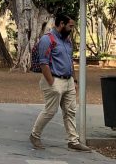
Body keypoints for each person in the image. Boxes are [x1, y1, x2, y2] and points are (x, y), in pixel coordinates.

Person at [29, 13, 91, 152]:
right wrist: (52, 83)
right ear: (61, 24)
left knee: (70, 111)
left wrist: (74, 80)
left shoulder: (67, 40)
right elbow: (44, 64)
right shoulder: (47, 39)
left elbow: (70, 62)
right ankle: (35, 135)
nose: (72, 28)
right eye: (70, 26)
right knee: (50, 111)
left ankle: (73, 141)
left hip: (68, 81)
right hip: (53, 80)